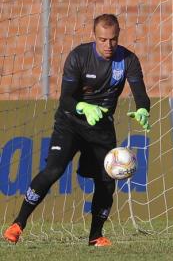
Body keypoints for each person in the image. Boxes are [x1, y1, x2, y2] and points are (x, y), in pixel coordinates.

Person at [3, 13, 150, 247]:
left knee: (107, 180)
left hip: (101, 128)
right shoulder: (79, 57)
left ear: (118, 36)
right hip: (70, 123)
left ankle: (95, 236)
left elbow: (140, 93)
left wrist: (143, 109)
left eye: (112, 39)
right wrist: (83, 106)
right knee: (53, 170)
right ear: (95, 37)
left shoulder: (128, 60)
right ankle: (17, 224)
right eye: (103, 40)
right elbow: (66, 99)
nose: (108, 45)